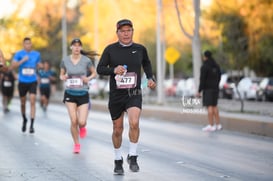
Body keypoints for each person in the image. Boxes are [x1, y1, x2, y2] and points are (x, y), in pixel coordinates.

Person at [97, 19, 156, 174]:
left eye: (128, 30)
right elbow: (100, 69)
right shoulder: (110, 50)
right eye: (122, 31)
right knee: (118, 129)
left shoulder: (140, 49)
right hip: (116, 95)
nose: (126, 33)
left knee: (134, 123)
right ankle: (118, 160)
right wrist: (114, 70)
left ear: (132, 32)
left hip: (134, 93)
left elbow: (147, 64)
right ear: (117, 33)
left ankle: (133, 155)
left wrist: (151, 78)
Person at [59, 38, 97, 154]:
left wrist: (88, 78)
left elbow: (94, 73)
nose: (76, 48)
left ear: (81, 48)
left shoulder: (86, 60)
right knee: (74, 120)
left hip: (83, 93)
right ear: (71, 47)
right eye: (74, 45)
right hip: (70, 93)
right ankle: (76, 144)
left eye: (78, 46)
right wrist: (63, 77)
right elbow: (61, 75)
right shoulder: (65, 60)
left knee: (81, 122)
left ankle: (83, 127)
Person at [12, 37, 42, 133]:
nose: (28, 45)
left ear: (31, 44)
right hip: (22, 81)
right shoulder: (19, 54)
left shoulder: (36, 54)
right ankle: (24, 119)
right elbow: (13, 65)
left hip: (33, 80)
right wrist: (22, 61)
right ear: (23, 45)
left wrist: (40, 67)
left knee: (33, 100)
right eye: (26, 43)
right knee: (23, 102)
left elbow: (38, 65)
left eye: (29, 43)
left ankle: (32, 125)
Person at [196, 50, 222, 132]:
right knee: (215, 106)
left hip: (208, 89)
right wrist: (216, 84)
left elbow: (202, 80)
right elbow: (219, 77)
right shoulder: (216, 66)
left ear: (205, 57)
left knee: (210, 106)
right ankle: (218, 125)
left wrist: (199, 90)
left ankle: (211, 125)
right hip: (216, 89)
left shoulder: (204, 66)